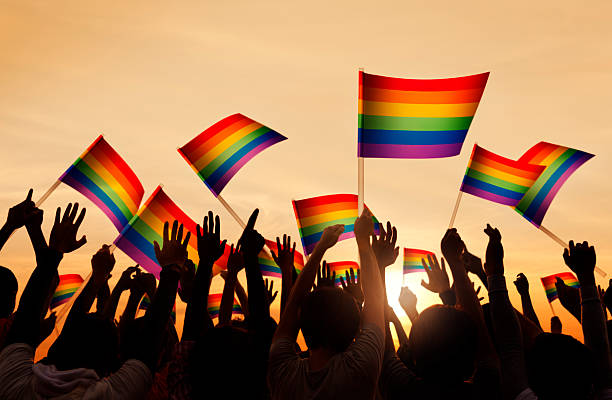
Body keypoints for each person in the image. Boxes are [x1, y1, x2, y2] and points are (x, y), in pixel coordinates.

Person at [267, 209, 386, 400]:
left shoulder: (283, 372)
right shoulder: (362, 367)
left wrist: (320, 248)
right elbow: (375, 298)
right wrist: (363, 241)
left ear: (302, 322)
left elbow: (294, 303)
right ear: (355, 328)